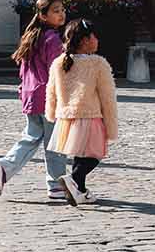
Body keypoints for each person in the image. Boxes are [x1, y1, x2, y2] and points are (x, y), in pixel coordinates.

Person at [0, 0, 69, 204]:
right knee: (55, 144)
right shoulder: (53, 39)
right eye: (56, 11)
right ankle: (56, 185)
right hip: (49, 98)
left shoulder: (31, 37)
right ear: (43, 16)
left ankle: (5, 167)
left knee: (31, 137)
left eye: (62, 10)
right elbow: (58, 70)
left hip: (31, 96)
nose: (61, 14)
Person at [46, 18, 119, 206]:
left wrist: (52, 113)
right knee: (95, 154)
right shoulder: (97, 64)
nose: (97, 40)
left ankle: (80, 191)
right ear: (85, 40)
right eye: (94, 36)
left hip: (66, 117)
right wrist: (110, 125)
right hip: (90, 114)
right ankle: (73, 179)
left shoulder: (59, 62)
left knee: (81, 154)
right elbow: (107, 98)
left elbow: (51, 91)